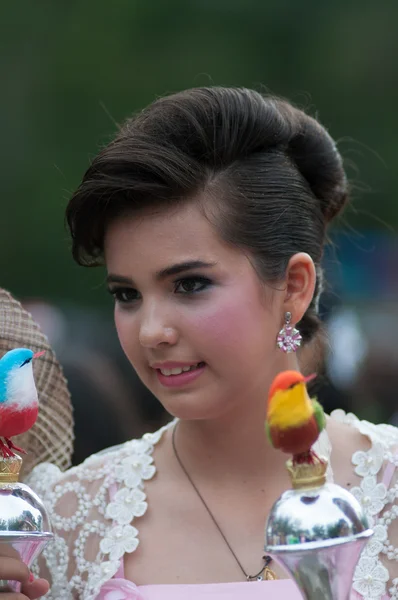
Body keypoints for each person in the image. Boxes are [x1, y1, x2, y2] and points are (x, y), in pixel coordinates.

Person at [2, 87, 398, 600]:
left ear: (294, 287)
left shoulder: (388, 489)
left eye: (189, 285)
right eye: (127, 294)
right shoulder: (68, 521)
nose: (151, 331)